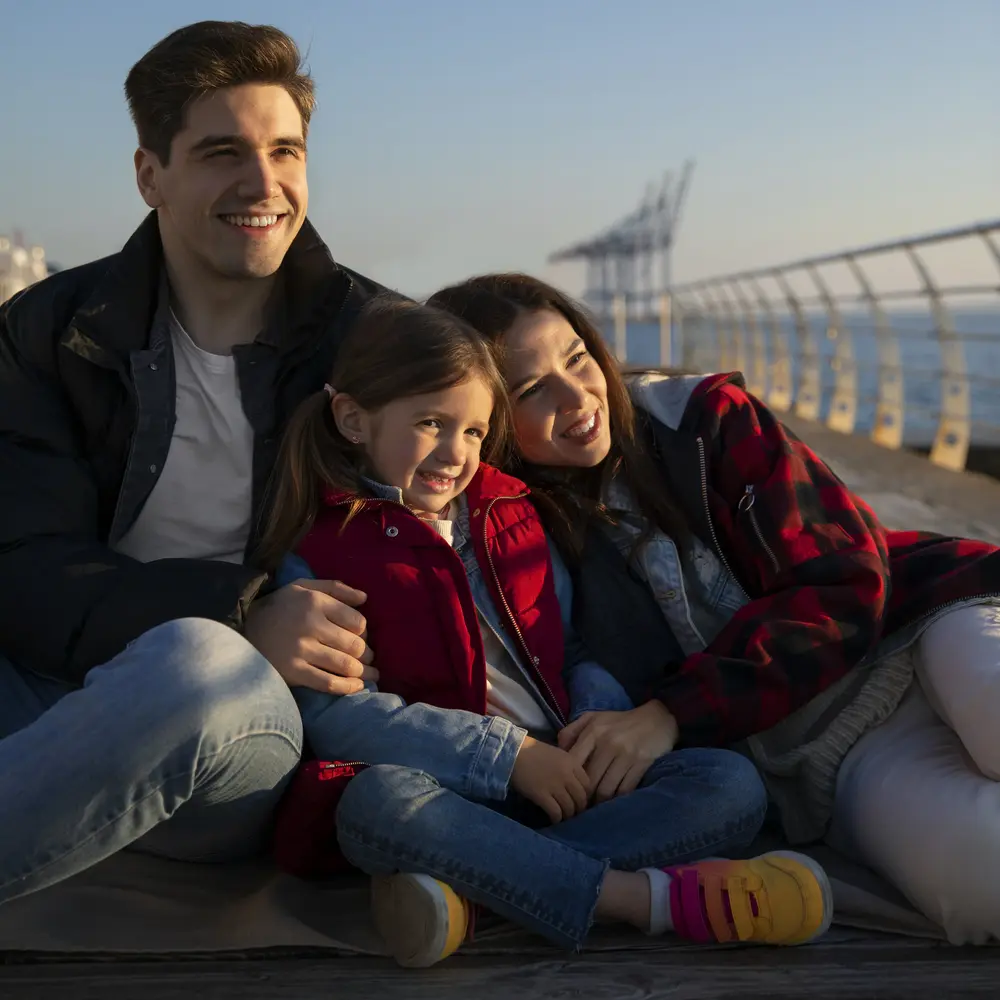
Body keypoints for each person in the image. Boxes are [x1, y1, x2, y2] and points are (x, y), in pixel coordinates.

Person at [253, 295, 834, 967]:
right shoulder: (324, 552)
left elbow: (574, 648)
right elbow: (339, 717)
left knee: (729, 783)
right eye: (431, 424)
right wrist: (508, 759)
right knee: (373, 804)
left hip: (564, 779)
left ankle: (476, 896)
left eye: (473, 431)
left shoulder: (513, 514)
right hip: (452, 794)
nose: (455, 453)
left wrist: (593, 727)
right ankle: (645, 901)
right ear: (353, 418)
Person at [426, 272, 1000, 946]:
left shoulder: (701, 420)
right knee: (981, 880)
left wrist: (674, 713)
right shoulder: (511, 534)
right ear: (486, 416)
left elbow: (843, 581)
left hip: (916, 627)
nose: (577, 396)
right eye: (530, 389)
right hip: (823, 760)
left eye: (577, 358)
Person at [0, 21, 389, 905]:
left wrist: (240, 635)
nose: (264, 185)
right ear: (151, 176)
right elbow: (21, 568)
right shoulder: (51, 331)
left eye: (285, 151)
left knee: (194, 666)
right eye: (222, 153)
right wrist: (242, 609)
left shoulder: (373, 345)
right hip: (50, 689)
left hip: (245, 729)